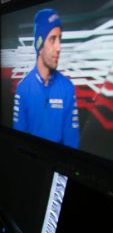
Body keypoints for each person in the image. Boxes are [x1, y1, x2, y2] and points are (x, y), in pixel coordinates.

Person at [13, 8, 80, 148]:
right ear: (39, 45)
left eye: (60, 39)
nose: (58, 47)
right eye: (52, 39)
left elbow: (72, 144)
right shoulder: (23, 89)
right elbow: (18, 143)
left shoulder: (67, 88)